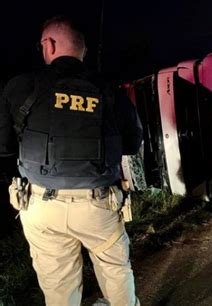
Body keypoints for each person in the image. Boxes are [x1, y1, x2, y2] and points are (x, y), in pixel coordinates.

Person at [0, 16, 142, 305]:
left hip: (42, 206)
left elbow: (4, 149)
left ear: (48, 45)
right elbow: (132, 143)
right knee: (115, 271)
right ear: (83, 51)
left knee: (59, 286)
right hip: (99, 205)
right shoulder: (110, 91)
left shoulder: (20, 88)